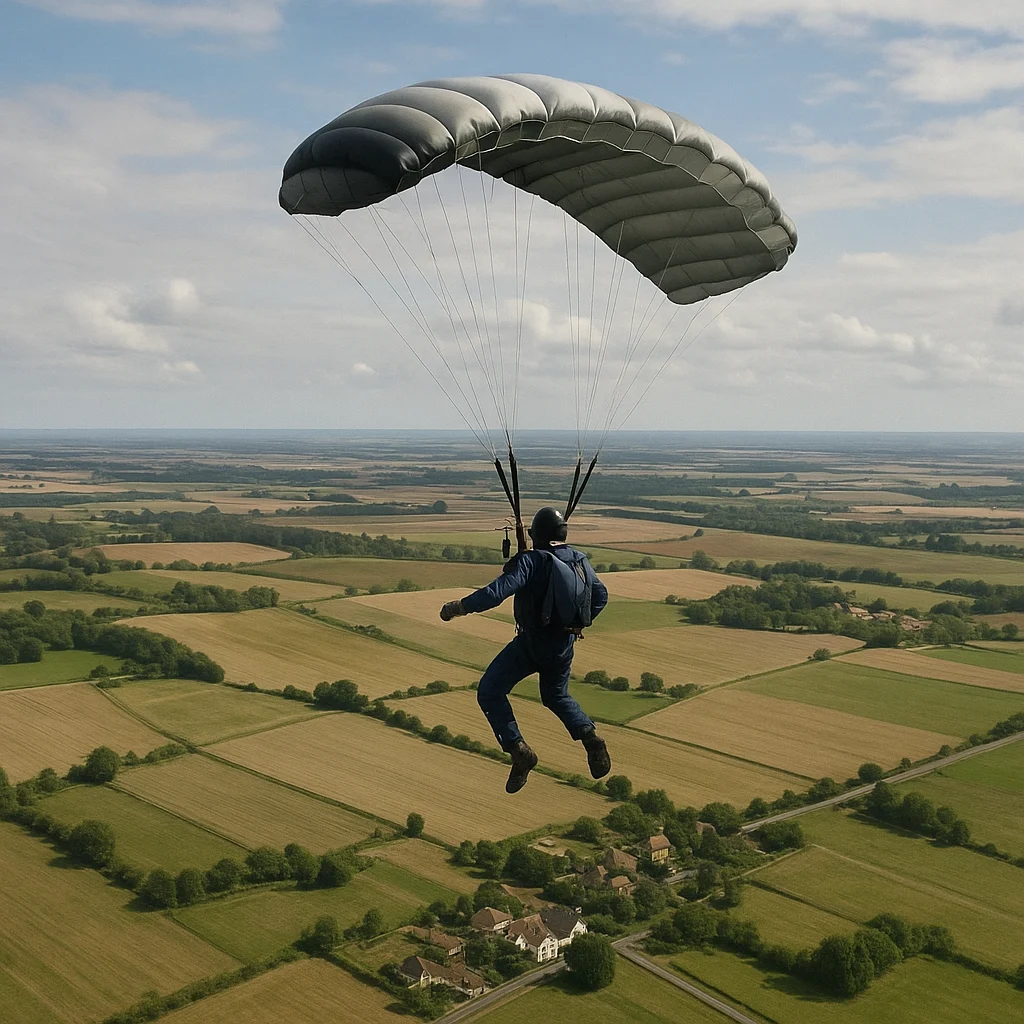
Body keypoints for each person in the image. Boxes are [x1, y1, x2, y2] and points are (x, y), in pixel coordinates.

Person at [439, 506, 611, 794]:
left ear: (538, 535)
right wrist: (576, 623)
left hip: (532, 643)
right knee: (556, 696)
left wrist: (458, 607)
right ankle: (591, 738)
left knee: (490, 691)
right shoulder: (579, 560)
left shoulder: (533, 562)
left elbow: (495, 593)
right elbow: (601, 595)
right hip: (563, 645)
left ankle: (519, 750)